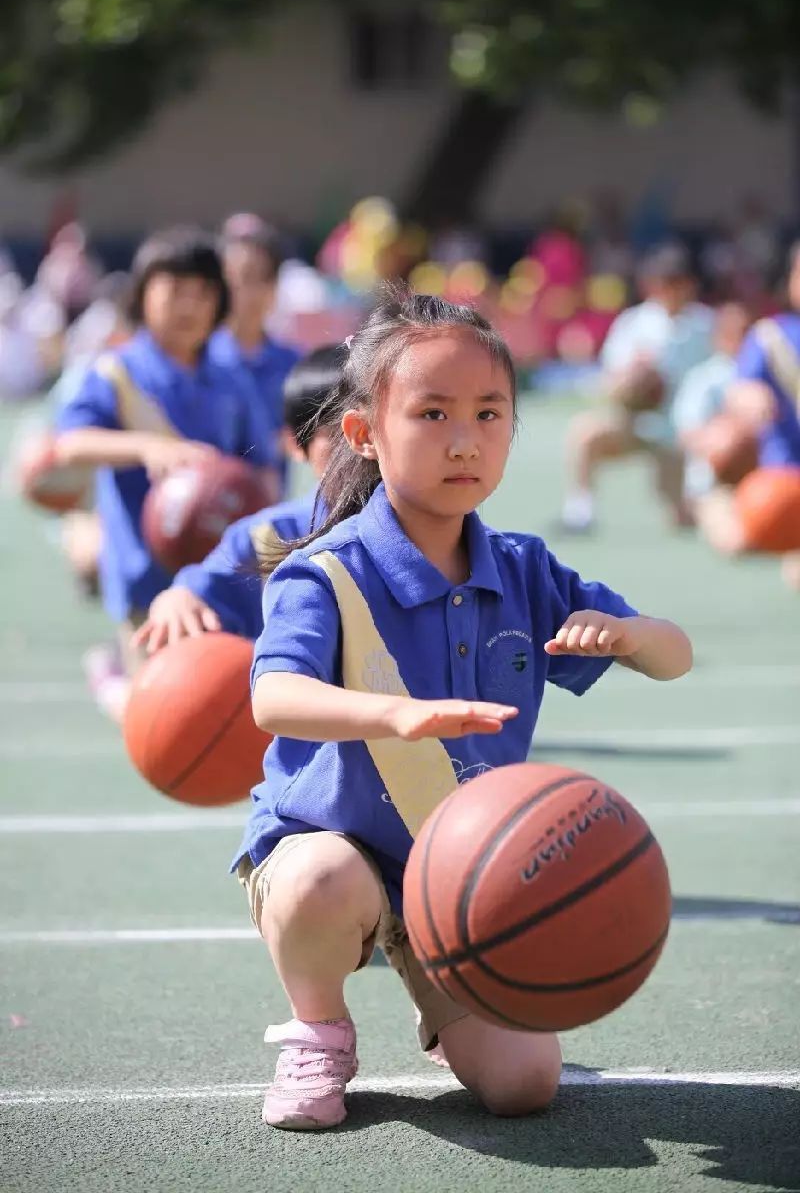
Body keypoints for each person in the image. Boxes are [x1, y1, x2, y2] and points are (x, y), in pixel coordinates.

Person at [233, 287, 693, 1131]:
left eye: (489, 414)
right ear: (366, 434)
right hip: (329, 852)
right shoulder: (327, 572)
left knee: (525, 1087)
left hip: (461, 878)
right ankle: (319, 1031)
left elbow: (676, 656)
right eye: (433, 412)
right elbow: (273, 698)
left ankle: (443, 999)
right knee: (317, 881)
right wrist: (392, 716)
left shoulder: (523, 569)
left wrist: (626, 634)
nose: (463, 439)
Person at [53, 226, 279, 719]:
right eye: (175, 290)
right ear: (143, 294)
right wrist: (145, 447)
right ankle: (115, 682)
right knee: (162, 716)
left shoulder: (230, 376)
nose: (189, 305)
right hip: (145, 578)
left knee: (231, 710)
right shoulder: (119, 371)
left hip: (223, 569)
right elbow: (69, 445)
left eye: (203, 292)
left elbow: (261, 465)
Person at [133, 345, 343, 652]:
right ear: (295, 444)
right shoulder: (268, 536)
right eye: (335, 431)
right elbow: (200, 585)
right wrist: (177, 598)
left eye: (370, 426)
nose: (355, 443)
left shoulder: (426, 524)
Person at [560, 243, 714, 532]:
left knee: (684, 519)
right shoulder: (633, 322)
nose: (668, 291)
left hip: (685, 434)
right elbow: (610, 381)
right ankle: (580, 511)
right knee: (585, 433)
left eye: (676, 283)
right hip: (637, 424)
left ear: (690, 284)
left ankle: (690, 501)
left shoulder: (708, 325)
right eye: (662, 283)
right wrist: (631, 382)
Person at [695, 243, 800, 589]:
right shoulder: (771, 336)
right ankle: (714, 504)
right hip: (783, 481)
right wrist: (751, 399)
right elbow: (742, 390)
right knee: (741, 537)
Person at [210, 225, 301, 495]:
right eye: (230, 279)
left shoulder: (292, 365)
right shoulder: (196, 363)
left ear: (273, 288)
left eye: (252, 278)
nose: (239, 291)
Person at [671, 301, 752, 501]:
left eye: (745, 333)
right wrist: (727, 441)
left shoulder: (765, 375)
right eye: (732, 333)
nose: (740, 340)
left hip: (760, 480)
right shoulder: (704, 378)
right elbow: (686, 433)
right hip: (712, 482)